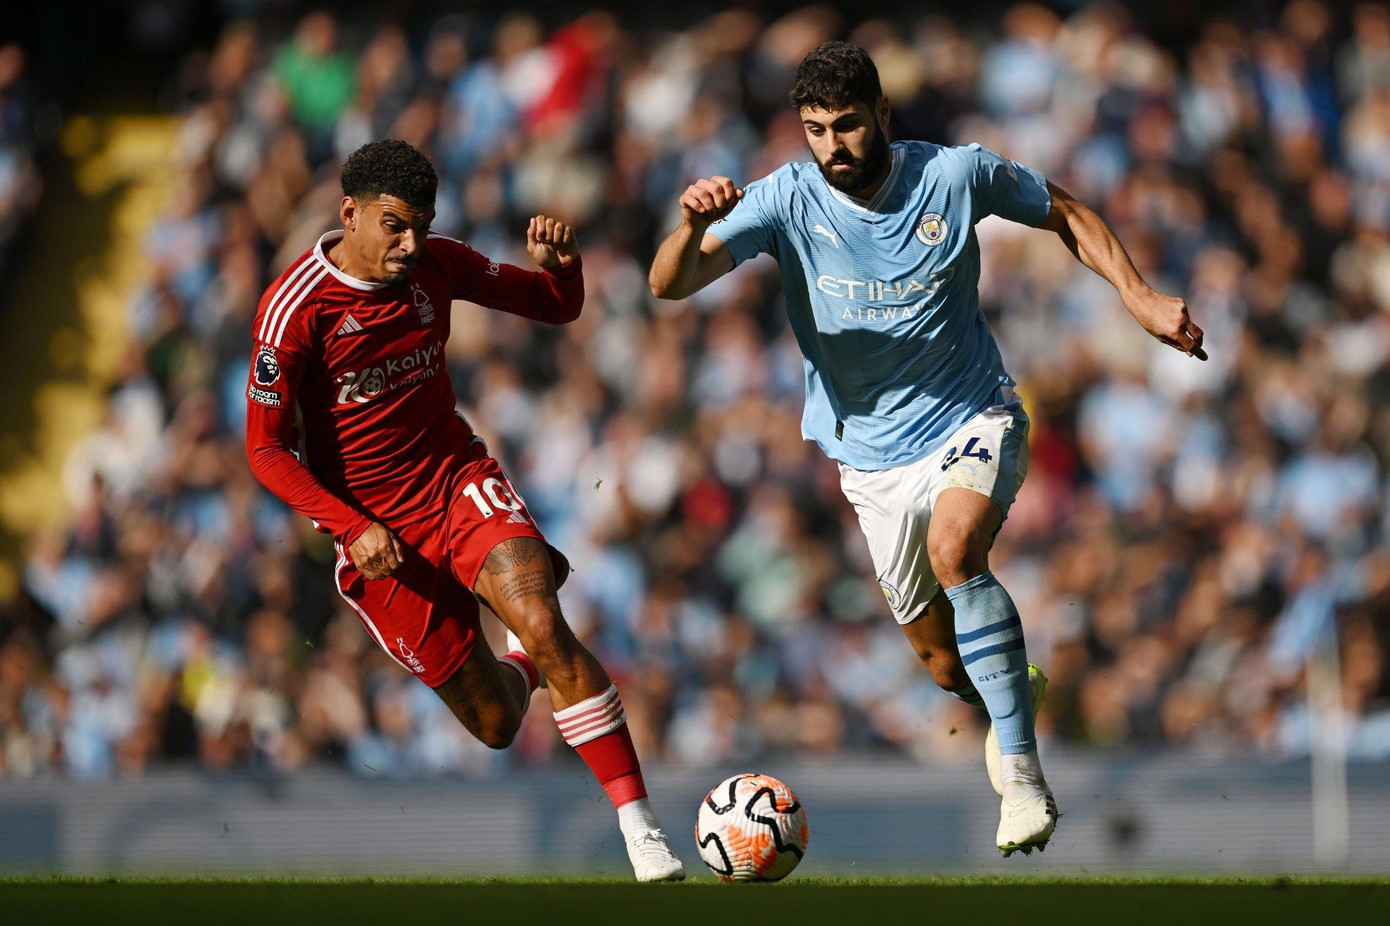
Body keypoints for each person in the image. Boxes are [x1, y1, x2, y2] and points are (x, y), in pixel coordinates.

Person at [649, 41, 1206, 857]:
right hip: (869, 459)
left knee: (956, 551)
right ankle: (1009, 687)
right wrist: (692, 224)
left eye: (845, 125)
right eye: (814, 129)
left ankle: (1020, 778)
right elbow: (669, 283)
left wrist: (1141, 296)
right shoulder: (785, 197)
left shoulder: (955, 175)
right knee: (945, 668)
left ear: (882, 115)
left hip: (971, 414)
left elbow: (1067, 211)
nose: (832, 146)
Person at [245, 139, 684, 881]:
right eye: (394, 225)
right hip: (376, 532)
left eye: (422, 225)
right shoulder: (294, 310)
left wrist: (564, 269)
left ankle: (640, 828)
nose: (411, 244)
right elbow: (264, 451)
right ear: (349, 213)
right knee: (494, 724)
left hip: (455, 482)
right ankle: (523, 662)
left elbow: (555, 306)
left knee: (545, 623)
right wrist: (352, 527)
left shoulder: (438, 263)